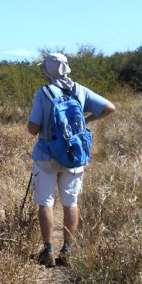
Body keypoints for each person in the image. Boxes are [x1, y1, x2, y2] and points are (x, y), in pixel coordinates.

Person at [27, 53, 116, 267]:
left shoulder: (44, 92)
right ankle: (67, 251)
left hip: (47, 155)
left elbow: (32, 129)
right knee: (70, 202)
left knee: (46, 202)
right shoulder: (80, 90)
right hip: (75, 155)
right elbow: (109, 108)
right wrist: (86, 121)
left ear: (49, 70)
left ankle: (48, 251)